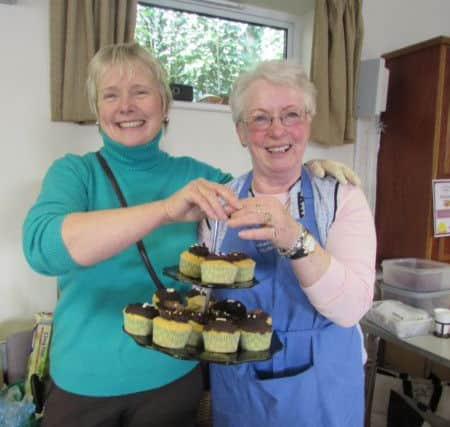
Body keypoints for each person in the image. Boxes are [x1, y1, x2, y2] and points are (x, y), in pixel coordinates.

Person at [22, 42, 362, 427]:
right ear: (97, 110)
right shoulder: (75, 174)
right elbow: (42, 247)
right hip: (83, 385)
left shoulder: (196, 178)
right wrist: (165, 210)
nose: (126, 106)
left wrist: (304, 171)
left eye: (140, 92)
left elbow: (259, 189)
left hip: (170, 385)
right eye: (110, 95)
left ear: (164, 105)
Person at [200, 60, 376, 427]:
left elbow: (349, 309)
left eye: (291, 115)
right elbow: (205, 297)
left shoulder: (339, 198)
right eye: (261, 118)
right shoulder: (219, 204)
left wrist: (293, 236)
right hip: (241, 389)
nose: (278, 131)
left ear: (308, 124)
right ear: (241, 131)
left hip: (324, 393)